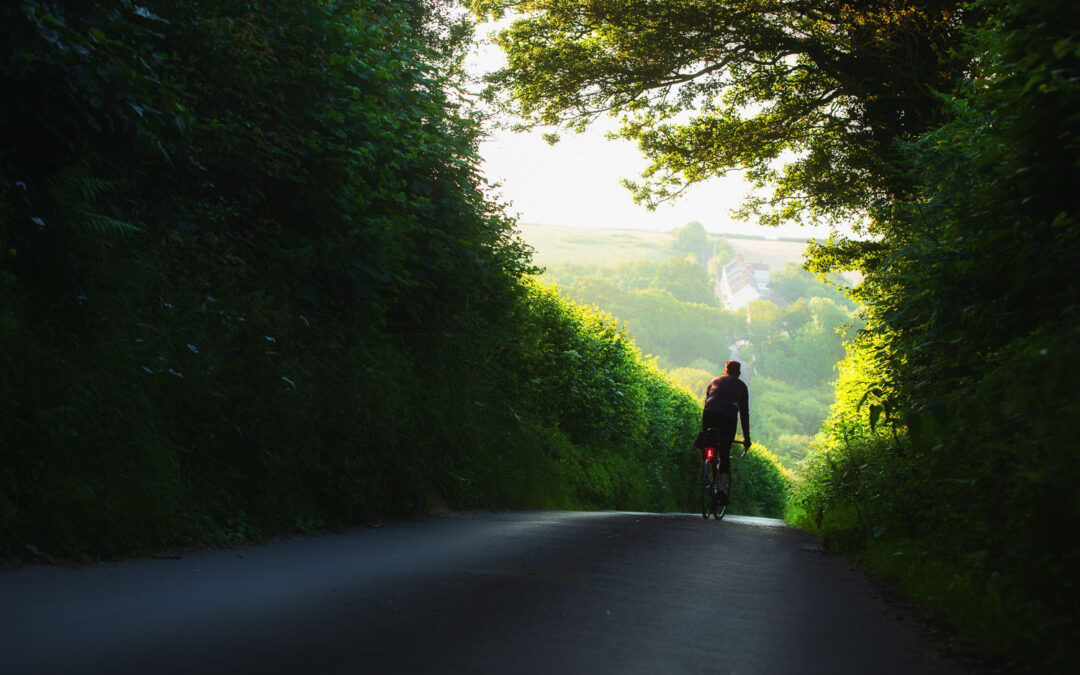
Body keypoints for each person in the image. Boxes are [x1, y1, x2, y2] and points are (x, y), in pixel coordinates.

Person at [701, 360, 752, 504]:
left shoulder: (714, 381)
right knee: (724, 453)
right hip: (728, 418)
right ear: (739, 373)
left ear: (725, 371)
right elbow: (744, 414)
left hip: (709, 414)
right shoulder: (742, 387)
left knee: (706, 440)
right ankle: (722, 489)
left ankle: (704, 471)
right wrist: (746, 438)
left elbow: (707, 401)